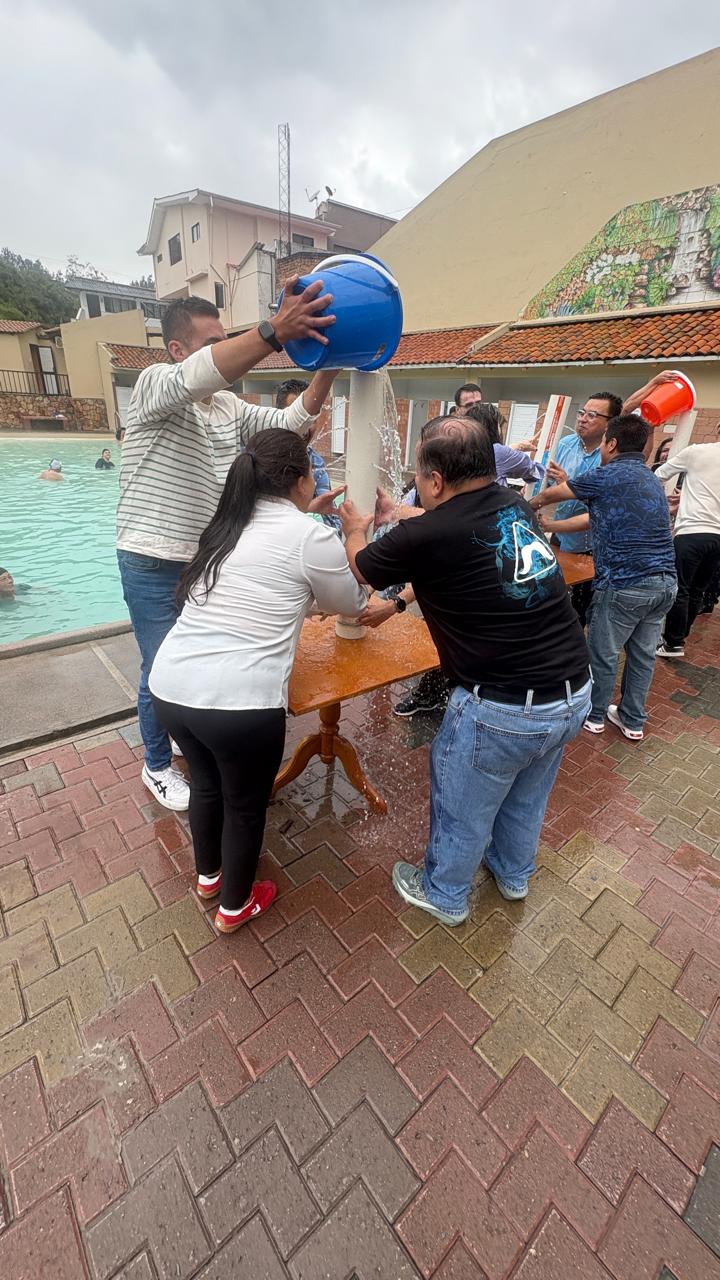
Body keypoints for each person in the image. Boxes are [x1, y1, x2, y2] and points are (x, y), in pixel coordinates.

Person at [339, 415, 591, 922]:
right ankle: (514, 875)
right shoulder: (514, 505)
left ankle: (444, 894)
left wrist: (355, 531)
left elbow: (361, 567)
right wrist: (400, 514)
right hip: (573, 693)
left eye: (419, 475)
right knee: (527, 796)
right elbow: (456, 534)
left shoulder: (429, 533)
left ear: (434, 480)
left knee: (463, 806)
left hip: (502, 709)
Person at [117, 281, 340, 812]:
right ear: (177, 349)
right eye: (212, 341)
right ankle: (156, 764)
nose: (224, 347)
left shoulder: (228, 407)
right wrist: (272, 331)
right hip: (151, 557)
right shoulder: (154, 384)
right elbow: (200, 373)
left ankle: (180, 734)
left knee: (192, 659)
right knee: (159, 664)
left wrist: (330, 368)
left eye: (225, 337)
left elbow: (289, 425)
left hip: (204, 557)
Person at [149, 428, 367, 933]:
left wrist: (310, 517)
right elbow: (351, 604)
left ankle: (209, 879)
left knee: (207, 786)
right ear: (300, 480)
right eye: (312, 472)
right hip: (239, 705)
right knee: (246, 806)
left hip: (170, 688)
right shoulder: (310, 537)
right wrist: (354, 534)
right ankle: (236, 906)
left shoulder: (227, 523)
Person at [531, 415, 676, 741]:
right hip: (665, 583)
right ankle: (632, 720)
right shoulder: (651, 479)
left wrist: (530, 504)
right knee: (643, 655)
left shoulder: (606, 474)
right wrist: (550, 526)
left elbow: (556, 494)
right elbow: (592, 520)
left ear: (611, 443)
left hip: (625, 583)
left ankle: (594, 715)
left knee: (603, 652)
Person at [655, 422, 720, 658]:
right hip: (718, 537)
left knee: (680, 588)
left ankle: (672, 642)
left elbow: (659, 475)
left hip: (692, 531)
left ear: (718, 427)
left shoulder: (696, 451)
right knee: (697, 590)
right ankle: (678, 639)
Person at [276, 378, 341, 533]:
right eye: (297, 418)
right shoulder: (257, 457)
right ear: (278, 415)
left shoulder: (314, 462)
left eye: (311, 418)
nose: (305, 428)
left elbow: (332, 519)